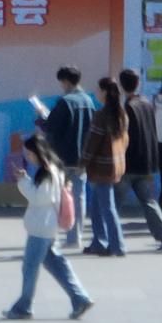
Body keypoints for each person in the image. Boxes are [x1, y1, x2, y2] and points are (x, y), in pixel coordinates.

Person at [4, 136, 94, 321]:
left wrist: (23, 181)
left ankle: (24, 306)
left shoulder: (47, 173)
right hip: (47, 226)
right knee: (57, 265)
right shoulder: (55, 169)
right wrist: (26, 179)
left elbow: (39, 198)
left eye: (30, 153)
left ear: (38, 152)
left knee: (30, 267)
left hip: (41, 227)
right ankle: (79, 298)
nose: (28, 157)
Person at [114, 69, 162, 251]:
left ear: (121, 85)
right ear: (138, 83)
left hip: (128, 163)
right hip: (145, 163)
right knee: (149, 202)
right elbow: (151, 134)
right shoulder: (147, 104)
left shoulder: (128, 108)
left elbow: (125, 137)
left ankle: (108, 238)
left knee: (112, 203)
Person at [41, 66, 96, 247]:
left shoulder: (64, 102)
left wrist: (42, 117)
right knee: (79, 197)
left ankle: (53, 236)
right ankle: (75, 237)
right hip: (82, 158)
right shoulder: (89, 101)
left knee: (56, 196)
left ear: (65, 81)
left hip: (62, 157)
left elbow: (51, 127)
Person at [78, 77, 128, 256]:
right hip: (115, 164)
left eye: (98, 90)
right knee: (97, 206)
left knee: (107, 207)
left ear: (105, 92)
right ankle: (99, 242)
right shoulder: (121, 114)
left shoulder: (101, 116)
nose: (96, 93)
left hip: (101, 167)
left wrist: (82, 163)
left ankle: (117, 245)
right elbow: (125, 141)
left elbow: (92, 142)